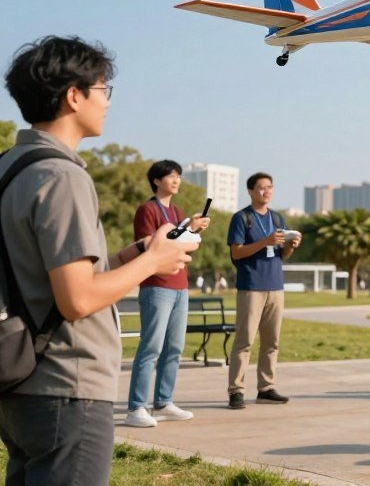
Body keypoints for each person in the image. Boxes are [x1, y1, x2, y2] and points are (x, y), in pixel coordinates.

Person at [0, 36, 196, 486]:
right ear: (74, 95)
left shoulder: (10, 167)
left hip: (19, 383)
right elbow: (78, 298)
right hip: (66, 385)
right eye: (103, 90)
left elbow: (47, 273)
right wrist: (153, 263)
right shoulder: (62, 175)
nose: (107, 103)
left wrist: (135, 254)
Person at [125, 160, 210, 427]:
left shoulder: (177, 211)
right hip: (157, 285)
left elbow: (185, 247)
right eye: (170, 176)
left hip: (180, 285)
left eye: (178, 176)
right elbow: (149, 246)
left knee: (175, 347)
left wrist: (192, 231)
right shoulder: (147, 210)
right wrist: (188, 231)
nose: (176, 180)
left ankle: (163, 401)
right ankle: (136, 408)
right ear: (156, 181)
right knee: (151, 346)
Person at [227, 172, 300, 409]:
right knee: (244, 341)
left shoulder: (277, 219)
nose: (266, 191)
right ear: (250, 191)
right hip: (251, 286)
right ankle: (236, 390)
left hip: (275, 286)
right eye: (260, 188)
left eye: (269, 187)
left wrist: (289, 246)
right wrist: (265, 242)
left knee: (272, 342)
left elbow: (282, 255)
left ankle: (266, 387)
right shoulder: (242, 218)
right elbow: (236, 252)